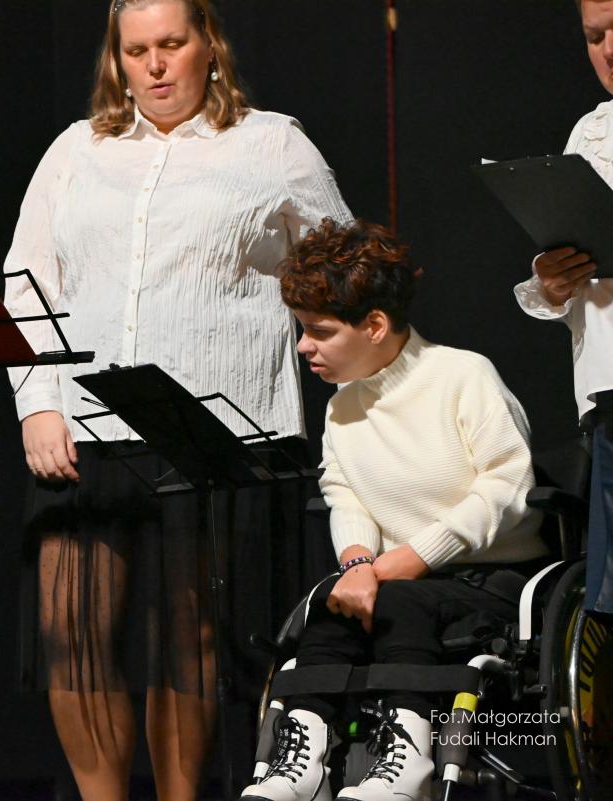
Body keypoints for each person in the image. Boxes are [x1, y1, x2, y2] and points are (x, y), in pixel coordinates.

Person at [3, 1, 352, 798]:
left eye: (171, 44)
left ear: (209, 45)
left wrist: (328, 345)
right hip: (87, 424)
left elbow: (341, 264)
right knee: (71, 633)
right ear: (116, 59)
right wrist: (38, 402)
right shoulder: (77, 149)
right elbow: (29, 285)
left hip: (214, 433)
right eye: (136, 50)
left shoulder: (272, 144)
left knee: (186, 636)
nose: (155, 65)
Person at [241, 219, 548, 801]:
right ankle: (302, 764)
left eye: (319, 331)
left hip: (490, 576)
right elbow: (345, 493)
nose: (304, 346)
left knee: (398, 602)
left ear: (375, 325)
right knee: (328, 608)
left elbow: (508, 485)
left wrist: (409, 558)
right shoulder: (342, 406)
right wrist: (359, 562)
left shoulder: (462, 375)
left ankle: (408, 758)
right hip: (392, 576)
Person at [513, 0, 613, 614]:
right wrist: (552, 282)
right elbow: (570, 271)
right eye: (594, 37)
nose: (609, 50)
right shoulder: (591, 134)